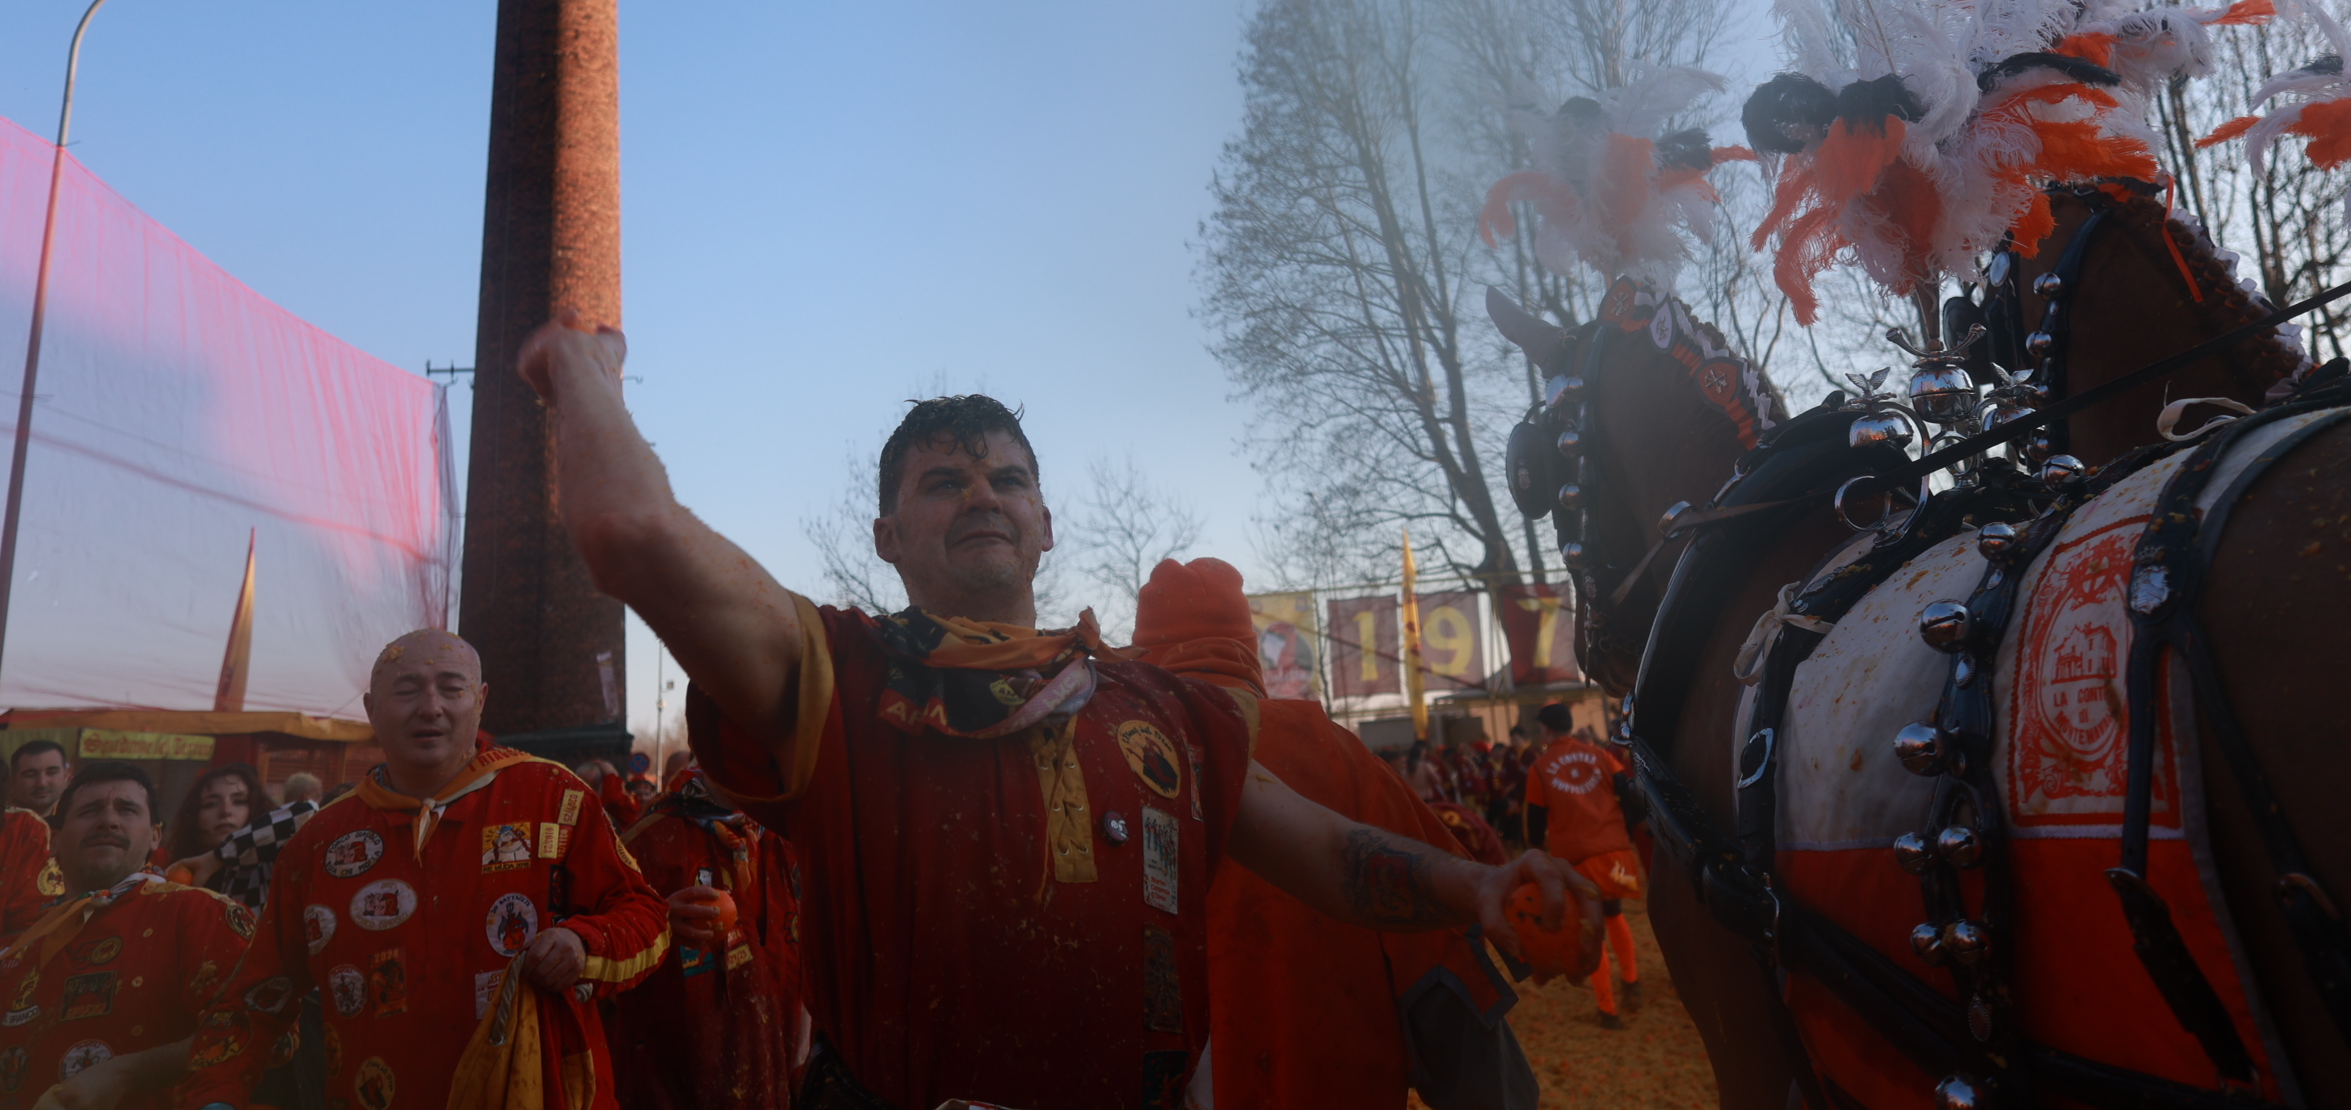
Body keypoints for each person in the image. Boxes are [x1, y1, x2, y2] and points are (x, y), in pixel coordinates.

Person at [517, 318, 1597, 1110]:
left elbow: (1325, 850)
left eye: (1007, 477)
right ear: (888, 535)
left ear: (1045, 523)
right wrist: (583, 373)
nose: (982, 493)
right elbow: (628, 530)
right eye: (943, 482)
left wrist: (1476, 885)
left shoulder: (1165, 710)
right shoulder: (836, 675)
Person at [173, 631, 670, 1110]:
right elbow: (258, 994)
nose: (430, 707)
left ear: (480, 701)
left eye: (451, 689)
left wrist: (583, 943)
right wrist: (214, 1095)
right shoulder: (319, 841)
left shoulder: (552, 798)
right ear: (372, 710)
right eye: (406, 690)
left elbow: (647, 915)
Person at [1131, 557, 1532, 1110]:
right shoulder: (1339, 756)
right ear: (1249, 651)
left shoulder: (1115, 761)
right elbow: (1438, 962)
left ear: (1142, 656)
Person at [0, 761, 264, 1110]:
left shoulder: (201, 913)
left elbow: (265, 1030)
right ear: (56, 839)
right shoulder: (19, 947)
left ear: (155, 835)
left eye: (127, 809)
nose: (108, 820)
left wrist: (128, 1073)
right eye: (89, 810)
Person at [605, 764, 804, 1110]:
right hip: (679, 1090)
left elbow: (806, 960)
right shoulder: (645, 844)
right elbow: (597, 975)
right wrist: (651, 923)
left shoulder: (785, 838)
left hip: (779, 1085)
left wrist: (802, 1059)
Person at [1523, 701, 1642, 1025]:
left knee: (1591, 927)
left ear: (1546, 729)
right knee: (1614, 914)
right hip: (1614, 854)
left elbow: (1535, 825)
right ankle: (1631, 982)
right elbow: (1627, 792)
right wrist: (1625, 831)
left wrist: (1538, 853)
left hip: (1577, 862)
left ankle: (1608, 1009)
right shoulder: (1600, 755)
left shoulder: (1539, 769)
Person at [167, 769, 323, 912]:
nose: (226, 811)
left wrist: (218, 856)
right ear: (194, 815)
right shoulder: (178, 873)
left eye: (239, 801)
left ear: (255, 808)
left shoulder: (266, 865)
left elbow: (307, 812)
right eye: (211, 803)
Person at [6, 747, 68, 821]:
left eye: (52, 773)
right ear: (13, 781)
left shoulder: (72, 819)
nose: (42, 783)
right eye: (30, 775)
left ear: (66, 776)